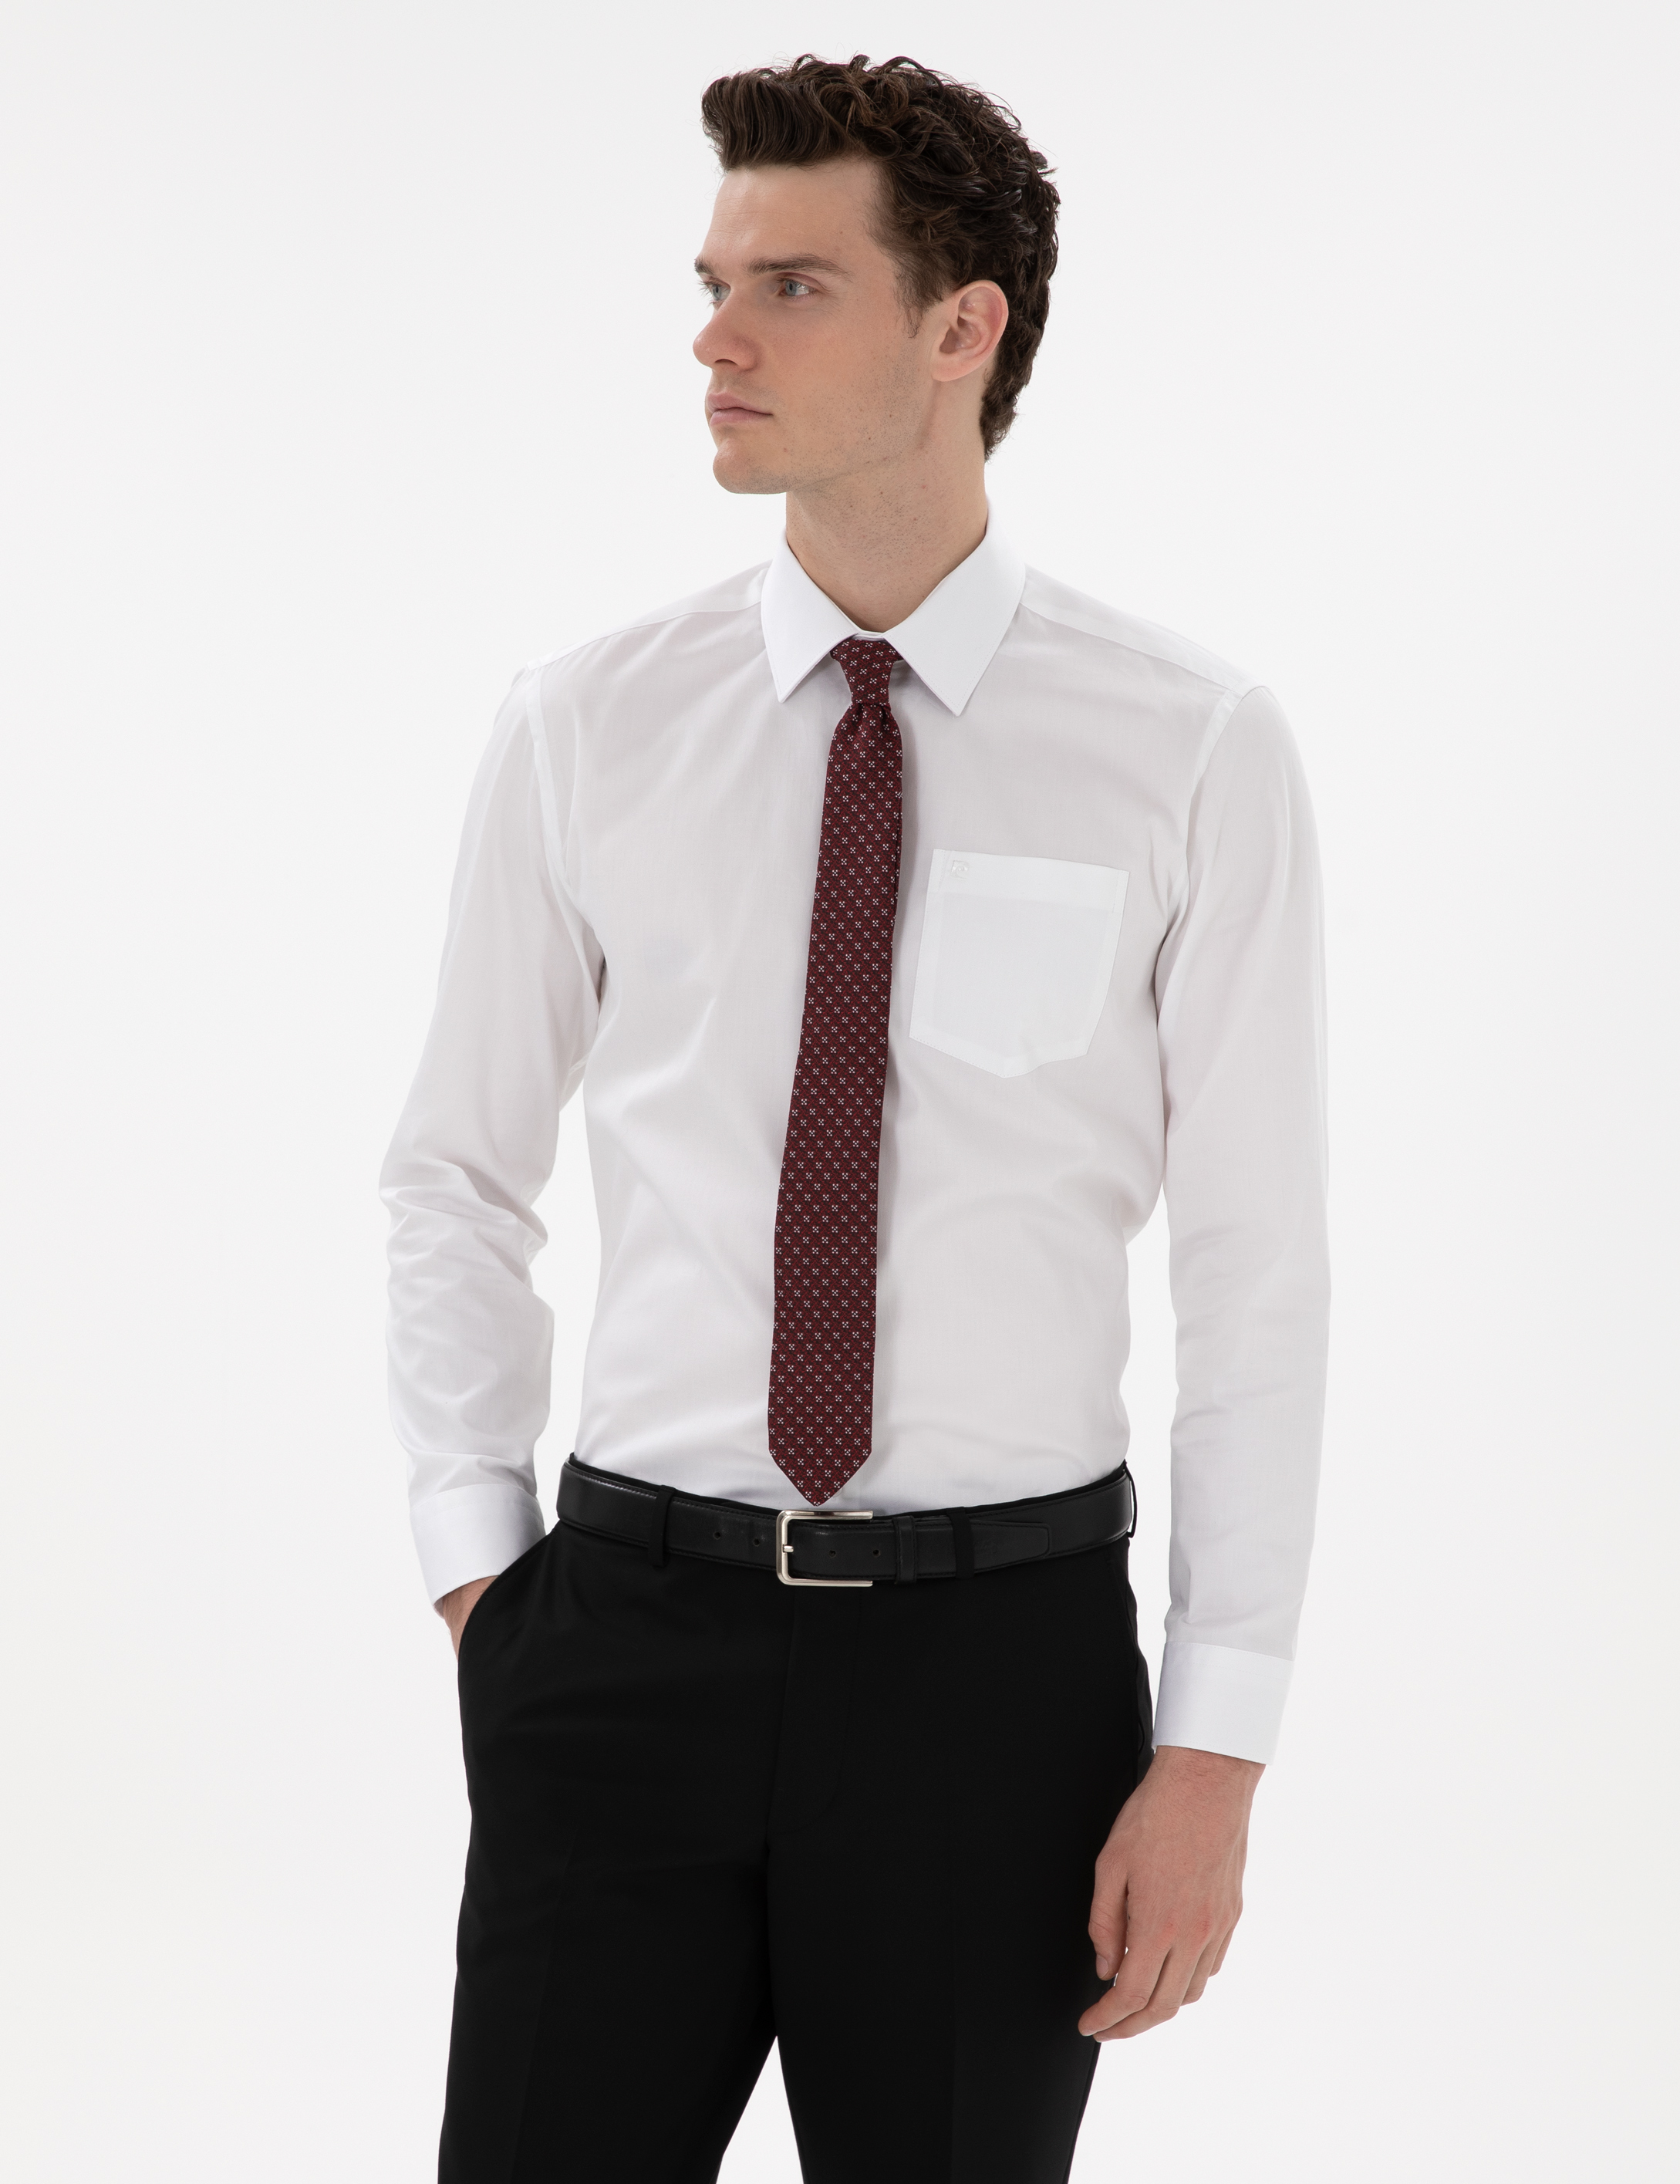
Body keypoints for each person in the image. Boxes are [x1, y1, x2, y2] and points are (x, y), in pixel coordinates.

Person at [381, 51, 1328, 2184]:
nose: (714, 338)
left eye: (791, 286)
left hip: (999, 1686)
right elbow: (452, 1172)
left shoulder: (1188, 748)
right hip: (619, 1643)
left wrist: (1217, 1743)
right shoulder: (586, 724)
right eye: (711, 284)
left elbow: (1257, 1266)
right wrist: (482, 1586)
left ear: (960, 326)